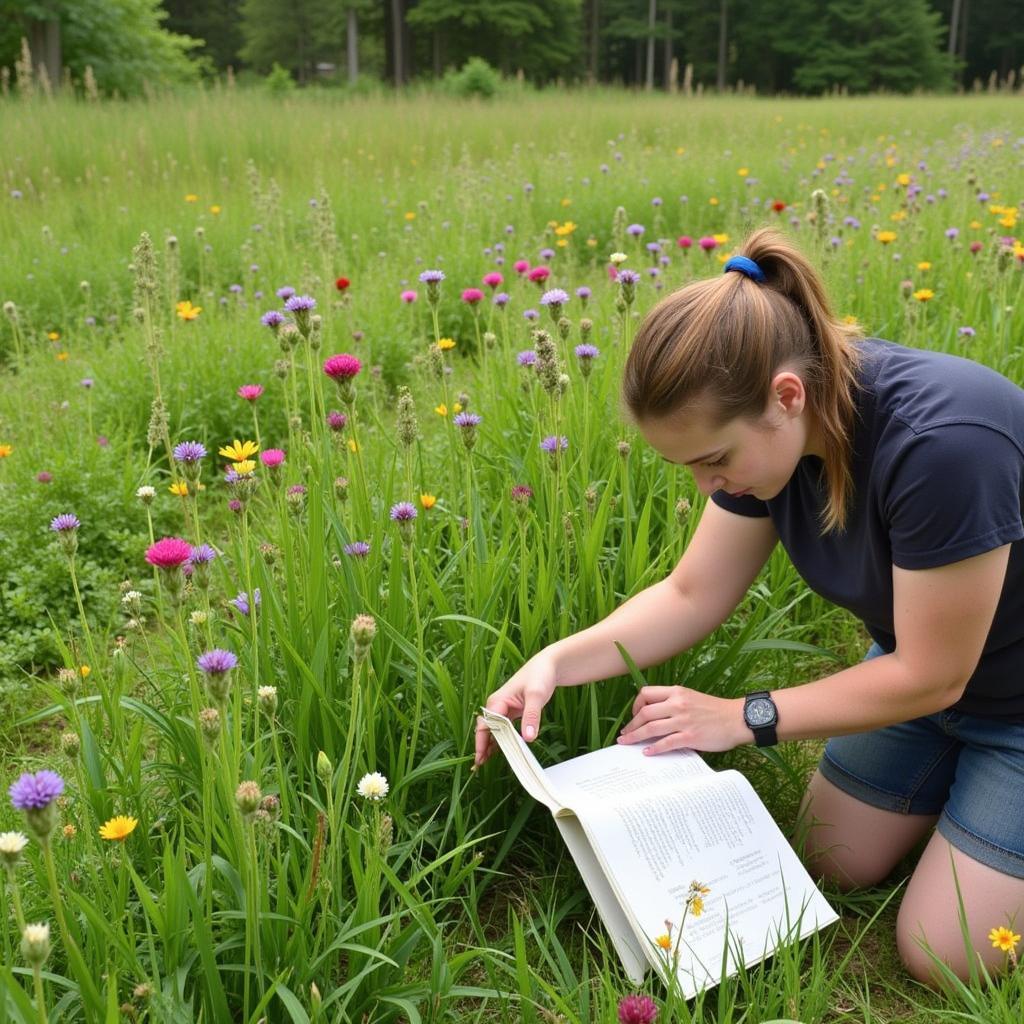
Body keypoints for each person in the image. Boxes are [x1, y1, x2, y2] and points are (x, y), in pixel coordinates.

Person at [474, 226, 1024, 987]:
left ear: (785, 396)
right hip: (934, 681)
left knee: (945, 954)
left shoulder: (945, 443)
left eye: (712, 459)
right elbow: (690, 593)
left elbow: (932, 676)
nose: (707, 485)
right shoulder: (778, 443)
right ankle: (973, 807)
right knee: (833, 854)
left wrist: (743, 717)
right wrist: (554, 663)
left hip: (981, 689)